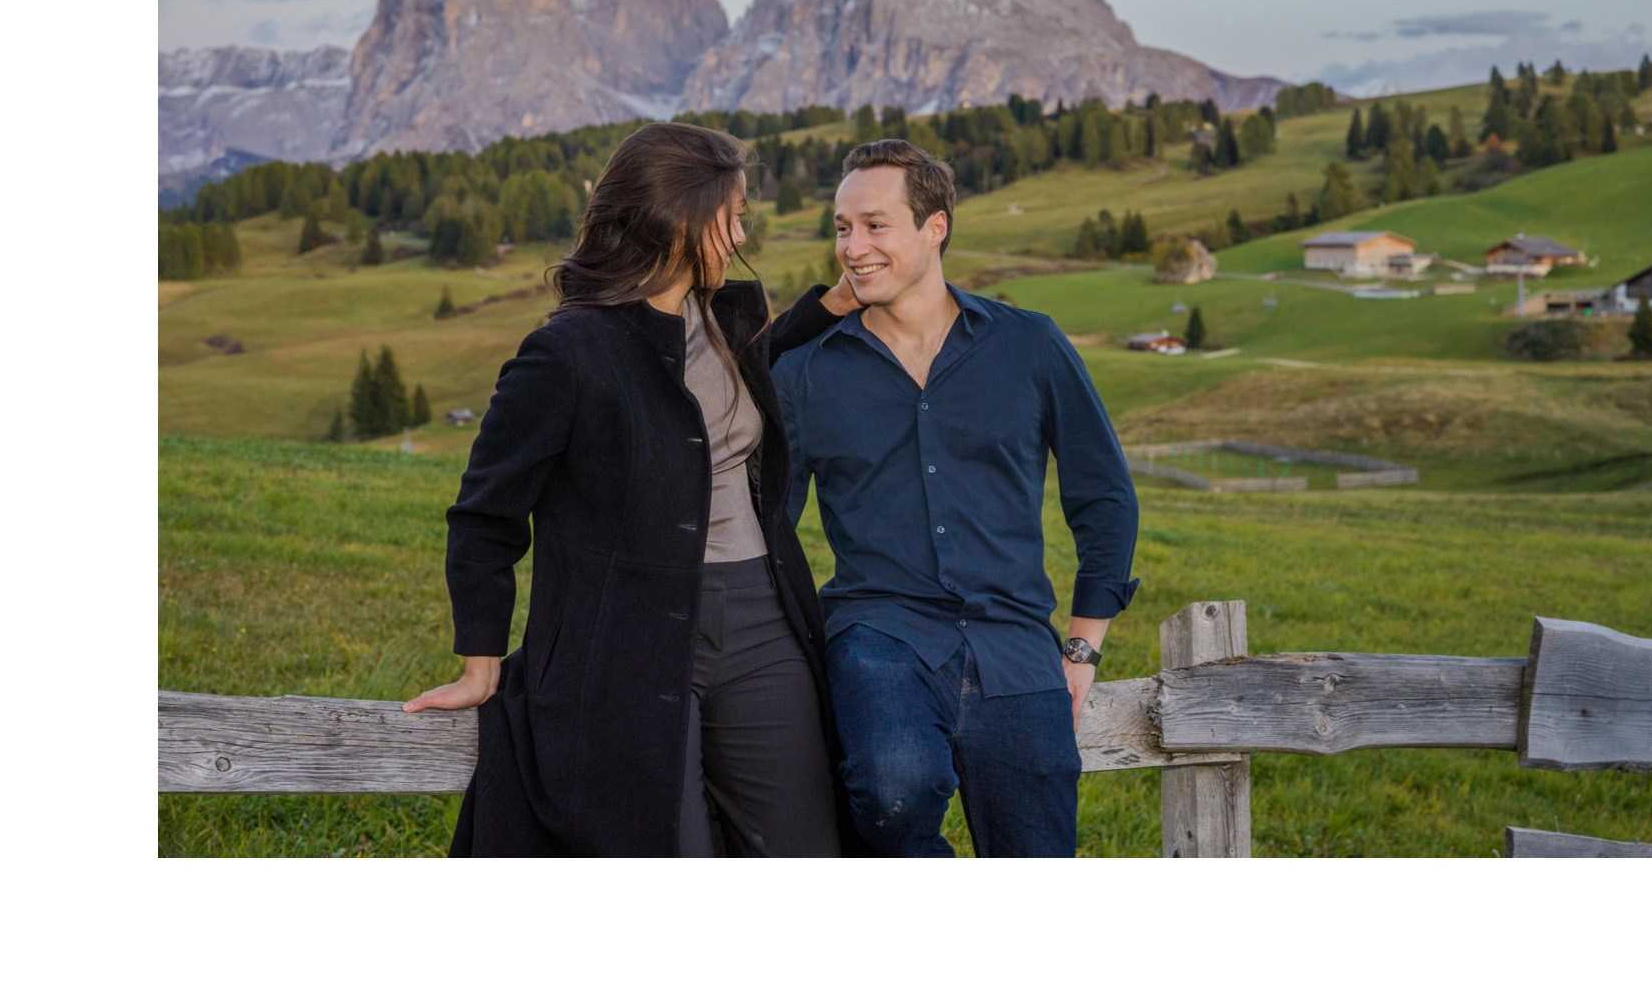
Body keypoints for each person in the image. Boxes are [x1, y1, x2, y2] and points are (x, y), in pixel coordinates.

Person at [403, 120, 857, 855]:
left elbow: (729, 380)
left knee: (807, 848)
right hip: (626, 640)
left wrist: (831, 304)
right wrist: (480, 663)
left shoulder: (726, 318)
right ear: (682, 222)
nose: (744, 230)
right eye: (732, 216)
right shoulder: (568, 353)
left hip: (761, 619)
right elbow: (485, 513)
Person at [770, 139, 1141, 858]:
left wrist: (1083, 648)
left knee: (1037, 853)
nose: (853, 246)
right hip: (878, 635)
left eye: (875, 225)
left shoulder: (1029, 345)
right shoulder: (804, 371)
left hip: (1015, 646)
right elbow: (770, 529)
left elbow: (1105, 496)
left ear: (934, 226)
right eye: (843, 228)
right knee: (891, 789)